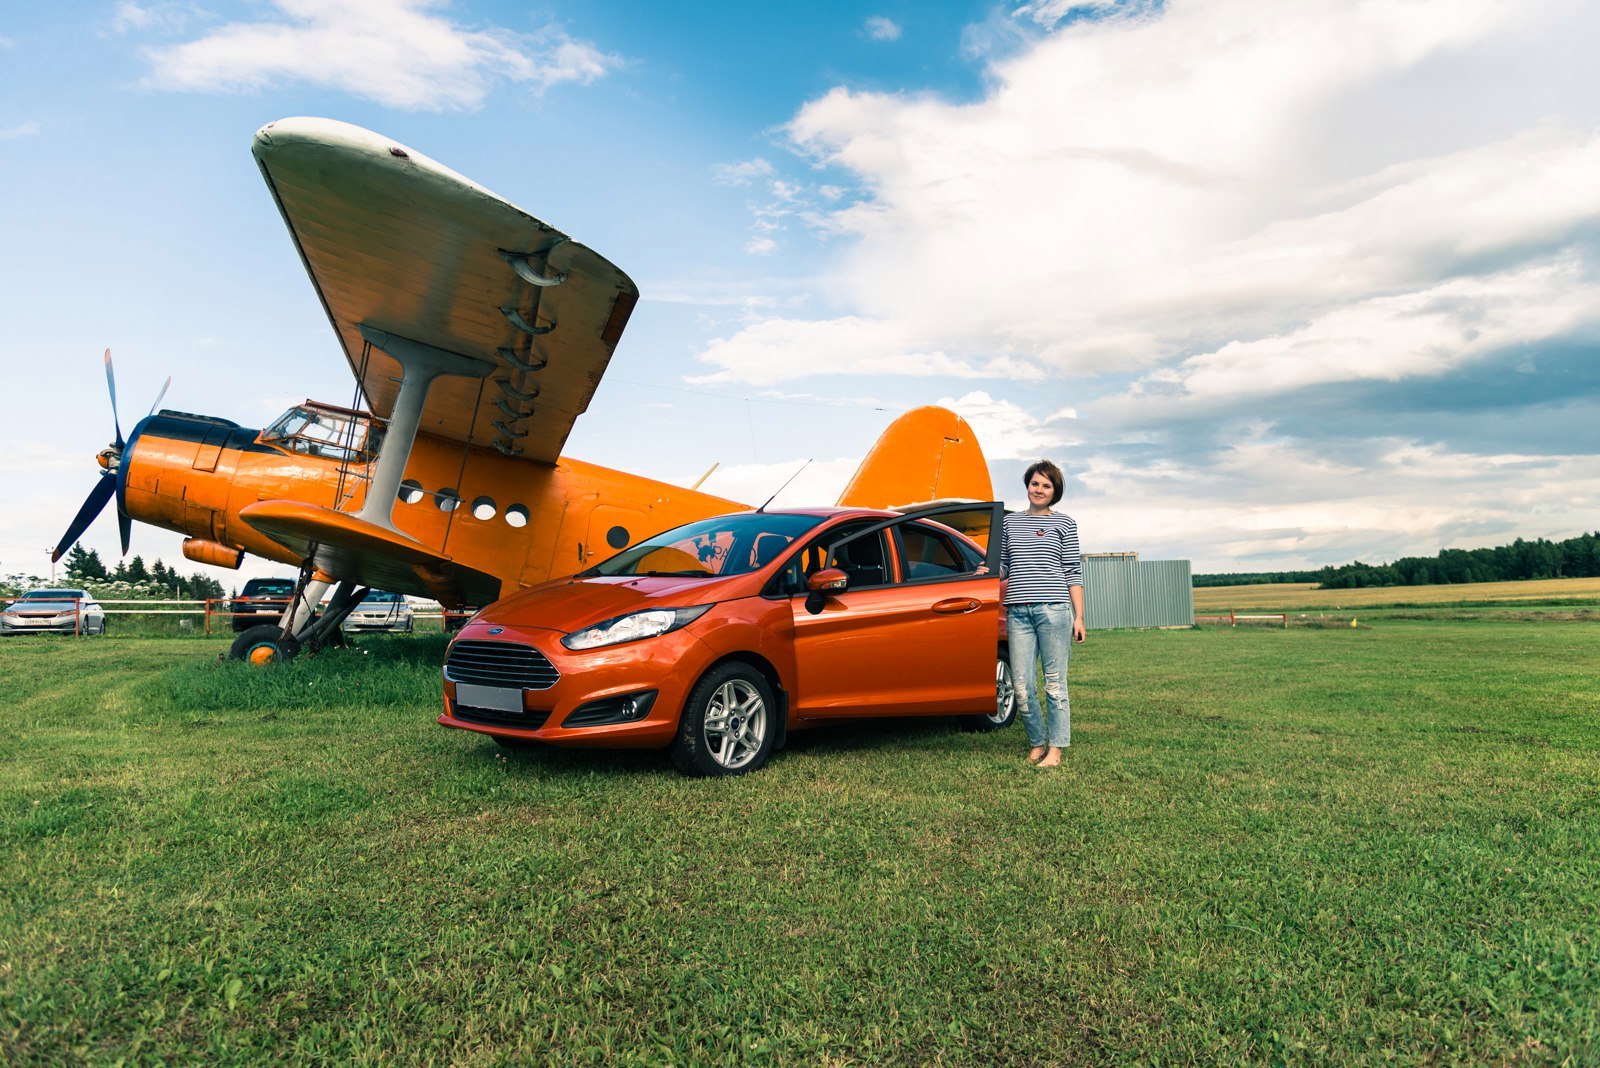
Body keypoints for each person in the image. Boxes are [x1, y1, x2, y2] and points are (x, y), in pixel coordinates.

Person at [999, 460, 1085, 767]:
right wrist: (986, 571)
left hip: (1055, 611)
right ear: (1027, 485)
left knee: (1054, 683)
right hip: (1018, 612)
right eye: (1036, 483)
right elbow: (1003, 565)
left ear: (1055, 491)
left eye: (1046, 485)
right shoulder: (1009, 523)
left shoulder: (1065, 523)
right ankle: (1037, 742)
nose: (1040, 489)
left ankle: (1056, 748)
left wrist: (1079, 617)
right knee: (1021, 685)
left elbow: (1073, 571)